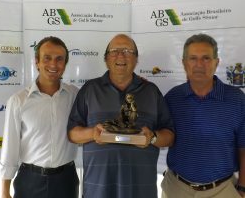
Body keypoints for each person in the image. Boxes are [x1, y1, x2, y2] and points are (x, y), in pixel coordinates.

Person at [67, 34, 175, 198]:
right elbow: (72, 133)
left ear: (136, 59)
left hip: (141, 190)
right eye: (114, 51)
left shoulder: (151, 91)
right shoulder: (90, 90)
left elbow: (169, 136)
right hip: (98, 190)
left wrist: (152, 138)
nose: (120, 55)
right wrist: (92, 134)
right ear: (106, 58)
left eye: (127, 50)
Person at [162, 33, 245, 198]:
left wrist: (242, 188)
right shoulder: (172, 98)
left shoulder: (237, 99)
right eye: (193, 58)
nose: (199, 64)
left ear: (216, 63)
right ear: (184, 64)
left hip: (223, 190)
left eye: (206, 58)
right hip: (176, 189)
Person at [0, 36, 79, 198]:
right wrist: (4, 191)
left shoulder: (75, 96)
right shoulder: (18, 101)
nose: (53, 65)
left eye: (59, 59)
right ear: (37, 62)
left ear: (65, 64)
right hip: (30, 181)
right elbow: (10, 148)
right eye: (47, 58)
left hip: (66, 181)